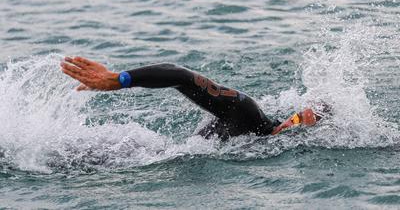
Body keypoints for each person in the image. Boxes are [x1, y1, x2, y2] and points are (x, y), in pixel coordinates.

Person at [60, 56, 325, 140]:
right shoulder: (248, 113)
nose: (293, 124)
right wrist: (119, 79)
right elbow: (180, 75)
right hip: (133, 152)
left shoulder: (266, 145)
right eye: (296, 116)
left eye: (301, 124)